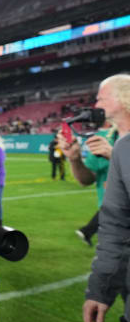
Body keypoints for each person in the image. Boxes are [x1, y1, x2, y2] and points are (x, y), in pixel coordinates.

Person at [59, 75, 130, 246]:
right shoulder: (106, 137)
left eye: (101, 99)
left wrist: (114, 156)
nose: (96, 105)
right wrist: (75, 159)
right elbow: (86, 179)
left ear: (124, 97)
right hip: (113, 224)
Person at [83, 121, 130, 322]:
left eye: (104, 98)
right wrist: (100, 289)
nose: (98, 104)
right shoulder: (122, 146)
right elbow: (116, 227)